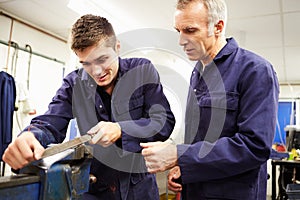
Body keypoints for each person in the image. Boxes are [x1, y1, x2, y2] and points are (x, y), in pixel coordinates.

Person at [3, 14, 175, 200]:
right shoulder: (73, 84)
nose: (97, 72)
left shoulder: (141, 71)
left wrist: (121, 130)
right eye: (86, 64)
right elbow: (50, 122)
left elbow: (163, 121)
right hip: (95, 188)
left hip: (139, 189)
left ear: (117, 47)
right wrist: (31, 135)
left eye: (102, 59)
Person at [141, 0, 279, 199]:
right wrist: (184, 168)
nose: (181, 40)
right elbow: (200, 140)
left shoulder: (255, 70)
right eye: (178, 30)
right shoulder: (197, 73)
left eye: (190, 30)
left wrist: (179, 155)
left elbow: (254, 146)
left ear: (218, 27)